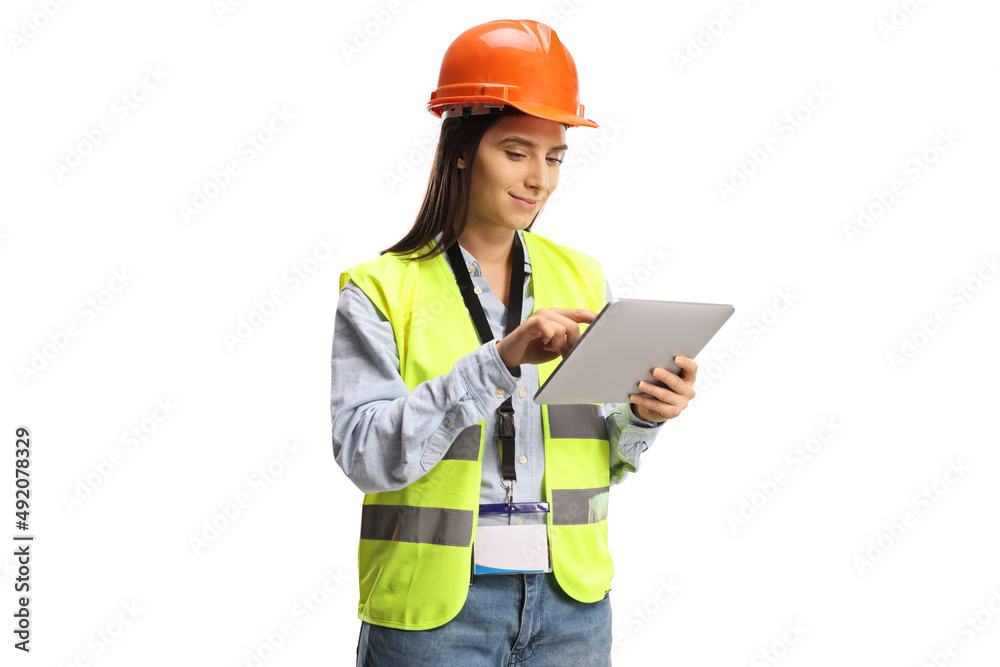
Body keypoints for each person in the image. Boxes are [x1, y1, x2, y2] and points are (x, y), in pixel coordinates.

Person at [331, 19, 698, 666]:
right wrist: (497, 362)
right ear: (463, 146)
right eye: (517, 150)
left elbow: (598, 461)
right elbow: (366, 455)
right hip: (437, 615)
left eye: (555, 156)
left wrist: (644, 414)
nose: (541, 179)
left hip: (570, 607)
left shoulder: (582, 277)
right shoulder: (381, 289)